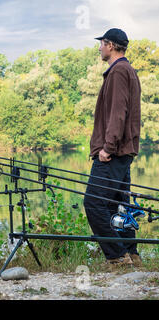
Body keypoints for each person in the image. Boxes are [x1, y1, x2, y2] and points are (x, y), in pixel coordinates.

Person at [83, 28, 142, 267]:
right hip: (124, 151)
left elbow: (119, 113)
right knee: (118, 204)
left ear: (111, 46)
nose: (99, 48)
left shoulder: (118, 72)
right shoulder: (127, 71)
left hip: (114, 152)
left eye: (101, 44)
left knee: (94, 202)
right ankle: (132, 254)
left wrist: (107, 147)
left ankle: (117, 256)